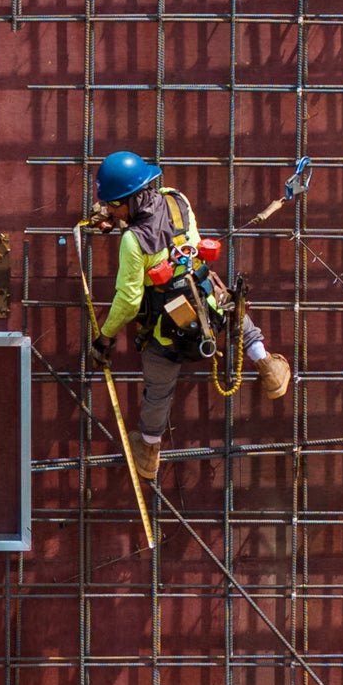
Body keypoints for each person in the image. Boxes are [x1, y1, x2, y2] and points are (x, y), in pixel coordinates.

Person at [88, 151, 291, 478]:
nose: (112, 209)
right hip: (208, 301)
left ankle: (148, 449)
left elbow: (128, 300)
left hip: (170, 327)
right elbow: (182, 239)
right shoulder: (176, 200)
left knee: (159, 381)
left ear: (131, 199)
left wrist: (105, 336)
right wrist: (117, 218)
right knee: (229, 303)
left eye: (115, 204)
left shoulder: (132, 241)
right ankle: (266, 366)